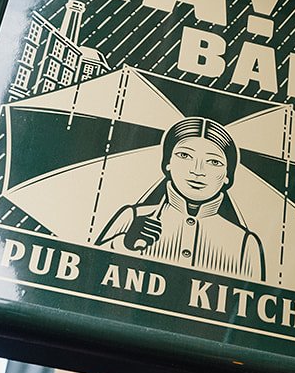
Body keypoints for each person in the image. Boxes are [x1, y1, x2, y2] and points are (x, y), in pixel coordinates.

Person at [96, 116, 265, 282]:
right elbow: (91, 274)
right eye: (185, 155)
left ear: (227, 175)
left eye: (213, 161)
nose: (198, 170)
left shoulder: (245, 243)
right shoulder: (133, 217)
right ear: (168, 162)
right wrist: (123, 245)